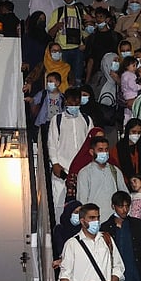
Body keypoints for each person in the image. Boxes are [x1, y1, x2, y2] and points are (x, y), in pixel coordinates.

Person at [57, 203, 124, 281]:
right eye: (92, 218)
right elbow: (65, 274)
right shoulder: (72, 244)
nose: (96, 221)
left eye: (98, 217)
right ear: (82, 221)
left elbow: (118, 266)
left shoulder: (106, 240)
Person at [48, 88, 93, 218]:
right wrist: (55, 163)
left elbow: (90, 144)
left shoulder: (87, 120)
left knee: (82, 208)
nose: (74, 106)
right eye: (71, 103)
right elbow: (52, 144)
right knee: (59, 207)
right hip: (62, 172)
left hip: (82, 173)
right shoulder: (57, 120)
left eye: (76, 103)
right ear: (65, 101)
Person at [47, 0, 87, 85]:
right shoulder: (58, 12)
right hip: (62, 50)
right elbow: (50, 34)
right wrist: (56, 26)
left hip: (77, 50)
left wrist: (84, 43)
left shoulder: (81, 12)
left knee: (77, 79)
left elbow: (87, 31)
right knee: (62, 78)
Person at [76, 136, 128, 208]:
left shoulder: (115, 170)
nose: (104, 152)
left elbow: (124, 195)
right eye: (100, 150)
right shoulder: (85, 173)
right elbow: (82, 200)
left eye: (106, 150)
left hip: (113, 217)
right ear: (92, 152)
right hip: (94, 217)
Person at [84, 8, 122, 86]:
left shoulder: (116, 37)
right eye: (97, 17)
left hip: (113, 73)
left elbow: (120, 56)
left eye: (101, 17)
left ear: (107, 19)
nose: (98, 19)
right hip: (97, 75)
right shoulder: (91, 38)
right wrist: (87, 81)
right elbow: (90, 60)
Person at [52, 200, 82, 265]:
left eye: (81, 212)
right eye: (76, 212)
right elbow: (60, 252)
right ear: (69, 213)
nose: (79, 215)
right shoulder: (60, 230)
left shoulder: (84, 229)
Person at [118, 56, 140, 124]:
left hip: (126, 96)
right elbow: (132, 86)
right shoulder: (131, 75)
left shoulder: (123, 75)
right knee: (134, 115)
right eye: (133, 65)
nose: (135, 68)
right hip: (132, 96)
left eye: (136, 65)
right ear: (127, 66)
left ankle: (125, 127)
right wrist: (140, 86)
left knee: (127, 115)